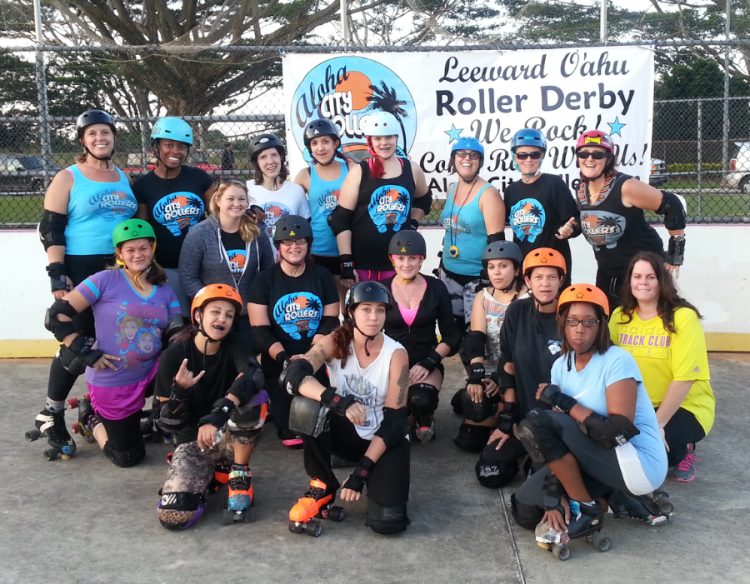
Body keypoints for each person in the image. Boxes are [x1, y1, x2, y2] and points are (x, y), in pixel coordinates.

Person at [511, 284, 669, 553]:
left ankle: (587, 510)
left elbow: (617, 433)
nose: (579, 329)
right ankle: (614, 497)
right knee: (526, 510)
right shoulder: (560, 366)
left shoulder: (617, 360)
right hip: (595, 456)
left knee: (536, 421)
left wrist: (563, 401)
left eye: (589, 322)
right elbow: (558, 442)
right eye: (572, 321)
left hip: (638, 463)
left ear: (601, 325)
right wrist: (553, 495)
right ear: (562, 322)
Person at [35, 109, 137, 459]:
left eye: (105, 132)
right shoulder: (68, 177)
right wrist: (57, 272)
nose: (99, 138)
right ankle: (51, 413)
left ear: (113, 137)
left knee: (112, 339)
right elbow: (51, 229)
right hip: (81, 267)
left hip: (119, 268)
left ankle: (94, 406)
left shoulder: (124, 177)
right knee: (80, 341)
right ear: (83, 140)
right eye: (92, 133)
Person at [41, 219, 182, 467]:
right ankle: (90, 416)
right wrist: (84, 352)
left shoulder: (163, 288)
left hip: (151, 374)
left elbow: (176, 332)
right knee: (128, 457)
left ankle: (157, 418)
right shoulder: (104, 280)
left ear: (152, 249)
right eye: (130, 249)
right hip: (113, 379)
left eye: (144, 248)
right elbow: (56, 315)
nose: (138, 254)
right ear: (120, 253)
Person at [280, 281, 411, 536]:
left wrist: (361, 473)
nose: (374, 317)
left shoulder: (396, 354)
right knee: (306, 405)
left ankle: (372, 473)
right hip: (347, 433)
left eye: (380, 310)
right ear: (351, 312)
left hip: (384, 440)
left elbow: (395, 423)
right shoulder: (335, 341)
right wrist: (338, 401)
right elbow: (293, 376)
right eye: (366, 309)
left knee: (388, 523)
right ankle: (323, 483)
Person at [155, 284, 269, 529]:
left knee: (255, 394)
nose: (222, 319)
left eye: (229, 315)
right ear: (198, 316)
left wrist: (218, 414)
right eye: (215, 312)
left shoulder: (238, 343)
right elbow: (166, 421)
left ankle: (239, 474)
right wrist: (179, 392)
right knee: (174, 518)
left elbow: (252, 375)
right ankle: (210, 476)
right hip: (195, 441)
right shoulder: (173, 356)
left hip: (232, 437)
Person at [611, 252, 715, 483]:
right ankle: (671, 444)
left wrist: (657, 425)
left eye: (651, 277)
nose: (643, 283)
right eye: (637, 276)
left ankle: (685, 448)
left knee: (651, 455)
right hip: (639, 406)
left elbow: (685, 378)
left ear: (662, 281)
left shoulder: (683, 317)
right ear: (629, 281)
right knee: (623, 451)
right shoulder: (619, 317)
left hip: (685, 405)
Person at [470, 248, 566, 485]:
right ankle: (525, 454)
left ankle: (536, 459)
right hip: (525, 417)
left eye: (551, 277)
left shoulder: (571, 316)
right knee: (489, 472)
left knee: (541, 487)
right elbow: (508, 367)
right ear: (527, 281)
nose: (545, 284)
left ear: (561, 280)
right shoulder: (517, 311)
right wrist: (507, 420)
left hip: (561, 421)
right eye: (538, 277)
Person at [248, 215, 340, 448]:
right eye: (287, 242)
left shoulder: (322, 275)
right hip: (279, 358)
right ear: (278, 246)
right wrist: (285, 359)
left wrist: (311, 356)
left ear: (309, 243)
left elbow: (330, 320)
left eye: (300, 241)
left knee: (319, 424)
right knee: (293, 432)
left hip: (315, 356)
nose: (294, 246)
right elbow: (260, 331)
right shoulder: (264, 280)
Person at [574, 130, 687, 311]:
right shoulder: (581, 190)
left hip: (642, 273)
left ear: (608, 159)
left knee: (653, 322)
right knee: (607, 322)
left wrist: (676, 252)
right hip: (608, 273)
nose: (589, 159)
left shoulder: (625, 186)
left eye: (597, 154)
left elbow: (672, 205)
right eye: (583, 153)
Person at [329, 111, 431, 286]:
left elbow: (424, 200)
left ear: (396, 138)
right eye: (378, 138)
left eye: (389, 137)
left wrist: (413, 224)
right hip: (364, 261)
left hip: (400, 261)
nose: (384, 143)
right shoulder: (359, 172)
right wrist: (346, 262)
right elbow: (340, 219)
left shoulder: (412, 169)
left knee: (396, 303)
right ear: (370, 141)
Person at [381, 231, 461, 443]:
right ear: (392, 259)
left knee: (421, 400)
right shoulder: (382, 289)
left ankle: (423, 414)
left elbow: (451, 335)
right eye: (400, 258)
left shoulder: (436, 287)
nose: (406, 264)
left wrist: (430, 361)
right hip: (391, 363)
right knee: (391, 424)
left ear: (421, 259)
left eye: (412, 258)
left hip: (426, 361)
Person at [133, 117, 214, 318]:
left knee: (206, 316)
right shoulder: (143, 185)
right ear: (156, 146)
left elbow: (219, 210)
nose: (176, 151)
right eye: (169, 145)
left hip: (203, 262)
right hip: (167, 264)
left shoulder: (198, 177)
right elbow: (143, 228)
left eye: (182, 147)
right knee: (178, 319)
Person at [453, 240, 527, 454]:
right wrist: (476, 376)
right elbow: (476, 338)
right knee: (470, 440)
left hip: (516, 374)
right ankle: (474, 402)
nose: (497, 272)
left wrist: (499, 378)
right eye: (492, 267)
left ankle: (500, 411)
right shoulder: (483, 296)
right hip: (490, 374)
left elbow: (522, 347)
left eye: (503, 266)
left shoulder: (528, 298)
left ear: (516, 269)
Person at [179, 178, 274, 338]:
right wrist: (211, 303)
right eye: (230, 198)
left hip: (249, 313)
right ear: (218, 200)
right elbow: (188, 276)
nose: (237, 204)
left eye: (241, 199)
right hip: (215, 315)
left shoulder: (257, 233)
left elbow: (268, 270)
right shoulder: (199, 234)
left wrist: (259, 300)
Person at [439, 137, 506, 332]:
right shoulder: (451, 189)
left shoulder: (489, 194)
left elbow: (497, 244)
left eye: (473, 155)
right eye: (461, 154)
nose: (467, 158)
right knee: (452, 332)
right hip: (449, 272)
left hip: (476, 277)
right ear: (453, 159)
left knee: (475, 335)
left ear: (480, 161)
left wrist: (488, 278)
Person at [503, 128, 580, 288]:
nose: (528, 160)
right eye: (522, 155)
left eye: (535, 154)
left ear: (542, 156)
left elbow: (575, 220)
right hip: (523, 268)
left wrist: (570, 229)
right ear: (514, 157)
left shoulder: (554, 183)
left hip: (552, 267)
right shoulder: (511, 191)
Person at [294, 119, 356, 311]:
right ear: (310, 148)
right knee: (320, 308)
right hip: (317, 250)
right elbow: (292, 207)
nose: (320, 148)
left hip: (347, 251)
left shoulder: (352, 169)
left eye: (325, 141)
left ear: (335, 143)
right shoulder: (305, 175)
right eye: (314, 143)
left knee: (348, 307)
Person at [246, 133, 311, 255]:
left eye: (274, 155)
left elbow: (306, 230)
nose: (270, 161)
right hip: (257, 258)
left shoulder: (296, 191)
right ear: (256, 162)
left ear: (281, 157)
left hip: (289, 258)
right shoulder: (246, 189)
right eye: (263, 157)